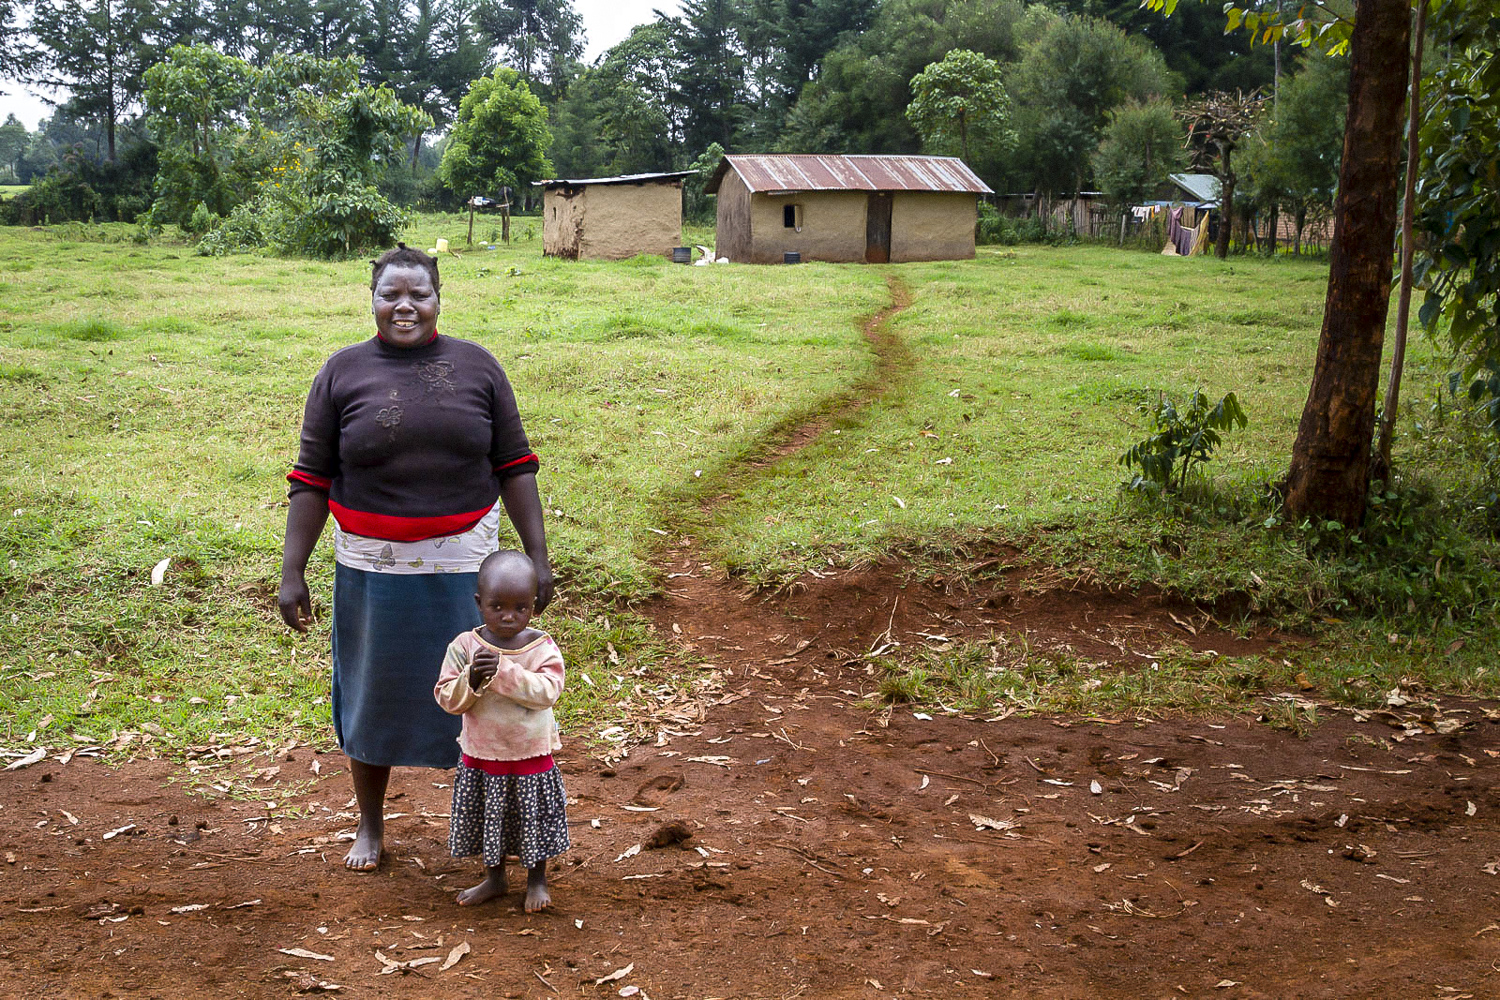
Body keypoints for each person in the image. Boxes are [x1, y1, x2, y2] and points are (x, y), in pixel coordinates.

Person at [278, 244, 553, 872]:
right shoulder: (341, 373)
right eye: (390, 295)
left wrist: (537, 558)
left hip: (467, 574)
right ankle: (371, 827)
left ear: (438, 299)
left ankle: (487, 831)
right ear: (372, 301)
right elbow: (311, 478)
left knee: (481, 696)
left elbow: (515, 466)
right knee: (373, 696)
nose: (405, 307)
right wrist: (293, 571)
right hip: (373, 575)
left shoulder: (478, 368)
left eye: (418, 295)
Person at [434, 550, 569, 911]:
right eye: (497, 607)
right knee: (489, 818)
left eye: (520, 608)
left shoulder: (542, 648)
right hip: (483, 753)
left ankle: (537, 880)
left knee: (532, 818)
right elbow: (448, 699)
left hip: (530, 753)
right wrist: (473, 678)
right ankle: (495, 878)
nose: (509, 616)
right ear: (479, 603)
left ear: (534, 606)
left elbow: (548, 692)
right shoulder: (464, 648)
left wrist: (504, 672)